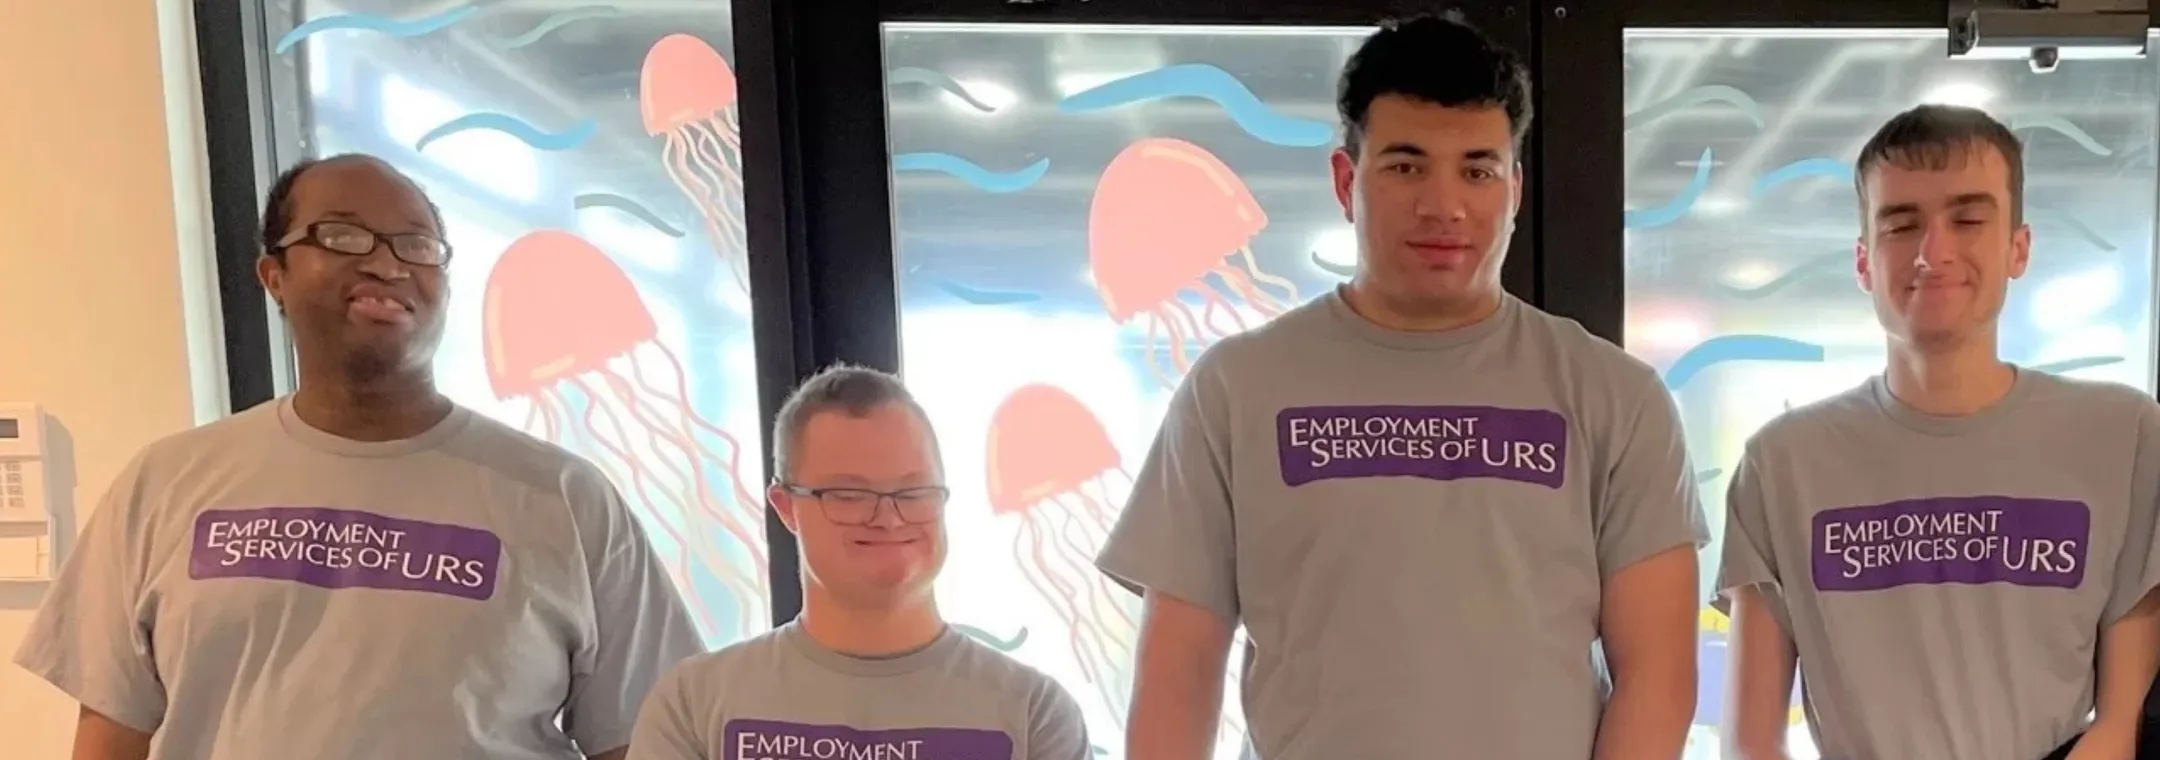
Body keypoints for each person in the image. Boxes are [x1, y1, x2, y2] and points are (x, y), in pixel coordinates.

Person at [1095, 13, 1708, 760]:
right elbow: (1179, 675)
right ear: (1347, 180)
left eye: (1477, 170)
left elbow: (1658, 676)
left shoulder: (1615, 396)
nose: (1445, 205)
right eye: (1406, 165)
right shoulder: (1236, 390)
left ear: (1514, 188)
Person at [13, 153, 704, 760]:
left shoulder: (562, 497)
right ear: (273, 274)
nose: (385, 261)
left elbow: (641, 742)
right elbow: (109, 742)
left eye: (417, 244)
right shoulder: (166, 486)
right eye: (341, 235)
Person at [1716, 105, 2160, 760]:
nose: (1934, 251)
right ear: (1863, 261)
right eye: (1901, 224)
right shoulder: (1782, 464)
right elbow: (1752, 744)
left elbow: (2121, 728)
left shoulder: (2126, 438)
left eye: (1969, 218)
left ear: (2019, 247)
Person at [626, 364, 1090, 760]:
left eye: (913, 492)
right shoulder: (694, 704)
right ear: (785, 506)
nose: (887, 517)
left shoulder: (1034, 713)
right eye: (848, 494)